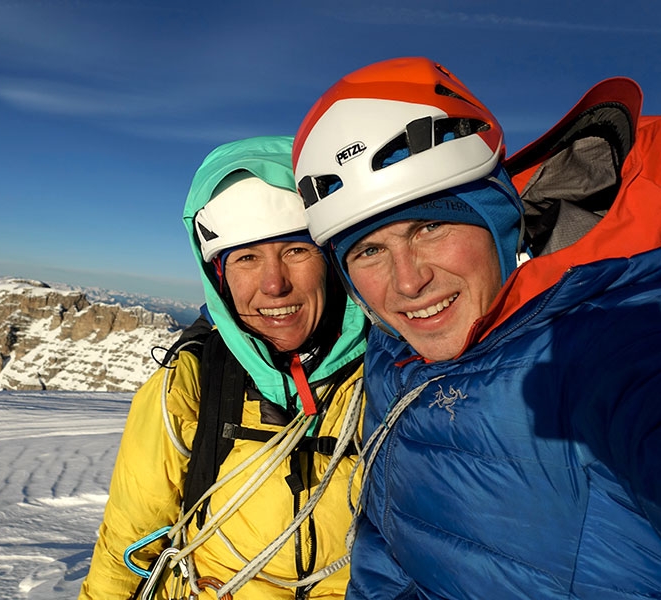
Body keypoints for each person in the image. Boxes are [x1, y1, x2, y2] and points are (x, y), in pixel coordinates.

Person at [291, 57, 661, 598]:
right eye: (370, 250)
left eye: (431, 226)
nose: (409, 282)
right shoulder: (392, 353)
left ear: (499, 217)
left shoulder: (603, 341)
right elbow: (385, 550)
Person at [79, 136, 368, 599]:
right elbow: (127, 542)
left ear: (332, 261)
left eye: (296, 251)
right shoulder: (190, 382)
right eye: (247, 258)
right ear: (220, 277)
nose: (273, 284)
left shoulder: (395, 376)